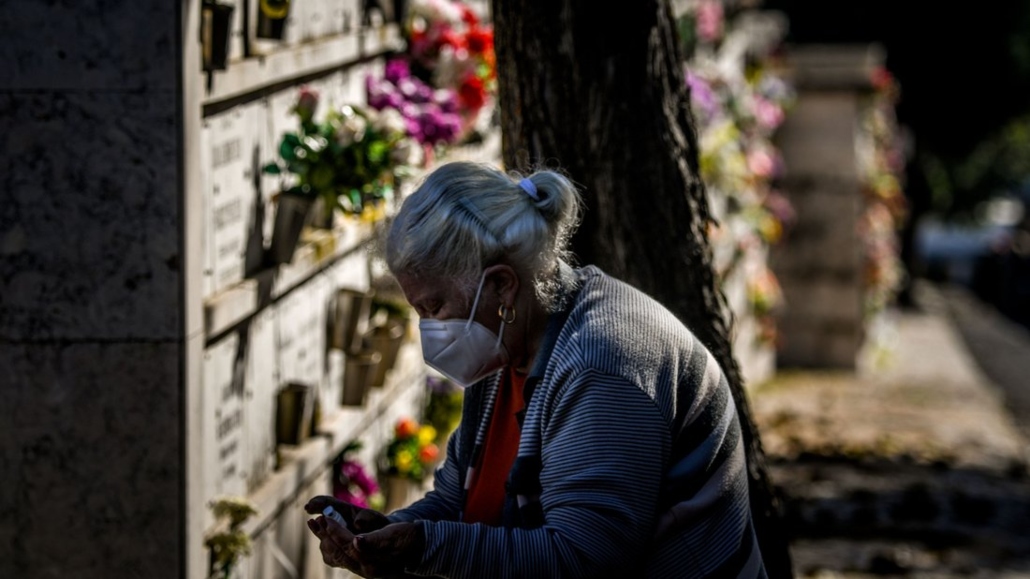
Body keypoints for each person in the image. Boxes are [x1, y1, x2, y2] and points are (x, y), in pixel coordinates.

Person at [304, 161, 767, 578]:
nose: (428, 328)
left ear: (502, 285)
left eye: (434, 306)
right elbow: (459, 502)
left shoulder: (601, 364)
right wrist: (386, 535)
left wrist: (423, 546)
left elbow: (583, 559)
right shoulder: (507, 346)